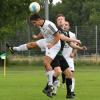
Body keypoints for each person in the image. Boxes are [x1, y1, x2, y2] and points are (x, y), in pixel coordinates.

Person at [6, 14, 81, 98]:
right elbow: (44, 32)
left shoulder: (51, 26)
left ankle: (55, 88)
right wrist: (37, 36)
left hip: (55, 46)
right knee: (32, 45)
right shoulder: (42, 25)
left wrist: (76, 44)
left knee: (62, 70)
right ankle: (14, 49)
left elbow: (59, 37)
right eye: (59, 19)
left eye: (34, 23)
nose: (34, 25)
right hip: (48, 42)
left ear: (39, 20)